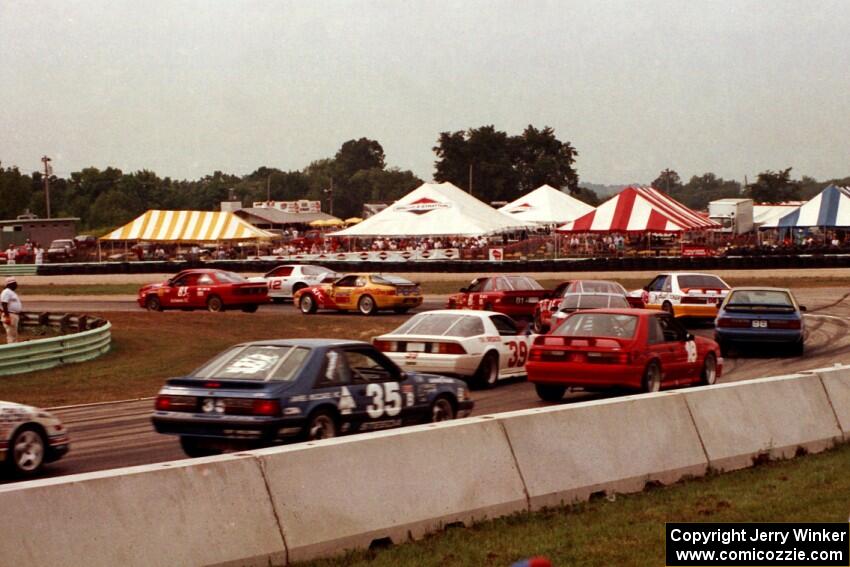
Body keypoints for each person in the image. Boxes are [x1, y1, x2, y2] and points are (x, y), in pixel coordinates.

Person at [1, 277, 22, 344]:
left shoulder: (11, 292)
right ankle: (11, 349)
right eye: (15, 283)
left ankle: (14, 349)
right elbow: (4, 304)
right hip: (10, 315)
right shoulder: (7, 292)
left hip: (13, 315)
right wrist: (7, 316)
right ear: (11, 284)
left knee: (14, 334)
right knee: (11, 335)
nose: (16, 285)